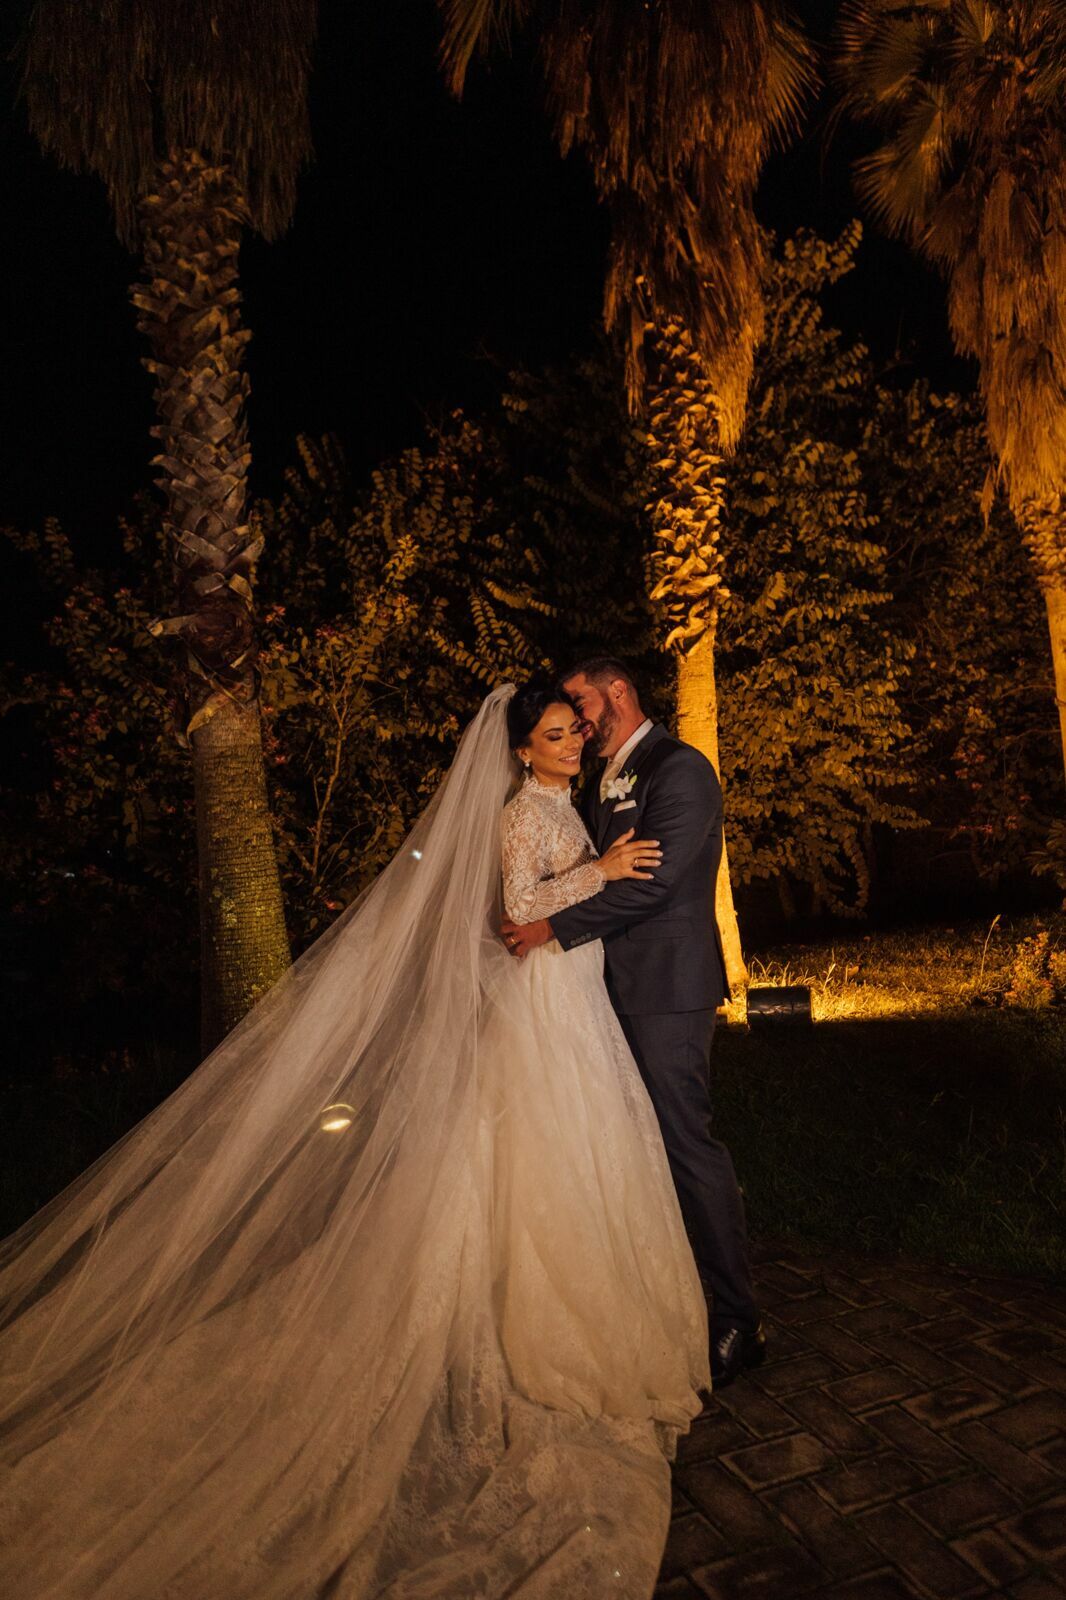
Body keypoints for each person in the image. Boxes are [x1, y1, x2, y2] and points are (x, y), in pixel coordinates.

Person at [0, 681, 709, 1600]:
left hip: (571, 1003)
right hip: (546, 1006)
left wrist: (594, 871)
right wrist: (601, 875)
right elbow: (514, 906)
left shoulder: (561, 802)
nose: (571, 745)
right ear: (520, 750)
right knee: (544, 1156)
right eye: (553, 735)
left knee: (575, 1155)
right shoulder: (517, 814)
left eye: (574, 732)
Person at [502, 656, 765, 1387]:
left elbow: (650, 881)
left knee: (685, 1144)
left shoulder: (676, 769)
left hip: (666, 988)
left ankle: (740, 1318)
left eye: (582, 705)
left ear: (617, 690)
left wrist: (553, 927)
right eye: (563, 719)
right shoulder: (600, 779)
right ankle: (657, 1297)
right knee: (634, 1148)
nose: (579, 723)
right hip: (605, 990)